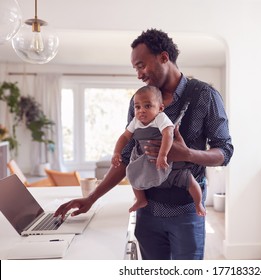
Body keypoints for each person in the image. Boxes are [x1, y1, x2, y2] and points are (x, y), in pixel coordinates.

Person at [55, 28, 234, 260]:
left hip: (186, 210)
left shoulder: (205, 96)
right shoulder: (139, 101)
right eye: (135, 68)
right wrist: (91, 198)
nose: (138, 74)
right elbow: (127, 157)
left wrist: (187, 154)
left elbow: (225, 151)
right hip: (147, 210)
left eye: (141, 65)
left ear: (163, 57)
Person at [111, 85, 206, 216]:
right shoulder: (135, 121)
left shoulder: (160, 118)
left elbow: (168, 134)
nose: (141, 111)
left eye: (147, 106)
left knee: (189, 180)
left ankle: (198, 203)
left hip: (166, 161)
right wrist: (117, 152)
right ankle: (141, 199)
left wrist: (163, 155)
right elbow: (124, 137)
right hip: (144, 160)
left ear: (160, 108)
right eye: (137, 107)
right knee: (133, 174)